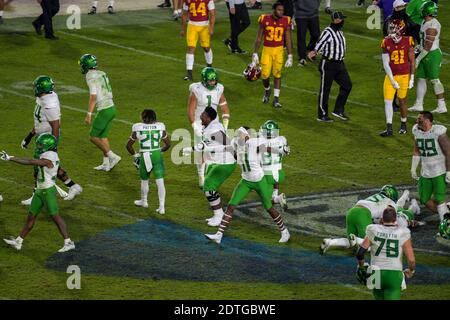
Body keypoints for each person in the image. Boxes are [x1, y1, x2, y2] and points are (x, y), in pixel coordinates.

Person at [205, 127, 290, 245]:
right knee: (231, 206)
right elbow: (224, 148)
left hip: (259, 181)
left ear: (246, 135)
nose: (237, 135)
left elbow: (266, 148)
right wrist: (202, 148)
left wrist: (281, 151)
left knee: (269, 207)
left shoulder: (253, 143)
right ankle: (218, 235)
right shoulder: (236, 144)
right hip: (245, 181)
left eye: (240, 133)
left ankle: (284, 231)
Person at [1, 134, 75, 253]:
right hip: (40, 191)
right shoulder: (48, 153)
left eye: (41, 145)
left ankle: (68, 242)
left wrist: (11, 158)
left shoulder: (50, 156)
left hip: (47, 191)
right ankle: (18, 241)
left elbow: (30, 161)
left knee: (55, 216)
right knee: (31, 216)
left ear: (48, 145)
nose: (39, 146)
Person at [20, 75, 83, 205]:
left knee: (39, 167)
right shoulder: (43, 98)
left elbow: (55, 125)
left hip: (47, 139)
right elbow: (40, 121)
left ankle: (36, 196)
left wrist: (52, 145)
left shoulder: (49, 103)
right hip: (42, 135)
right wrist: (29, 136)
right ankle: (73, 186)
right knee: (50, 165)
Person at [183, 107, 236, 226]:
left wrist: (237, 157)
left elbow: (227, 144)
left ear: (208, 117)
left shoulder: (214, 129)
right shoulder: (210, 127)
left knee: (208, 187)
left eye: (203, 114)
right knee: (209, 185)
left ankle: (218, 216)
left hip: (225, 162)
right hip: (218, 161)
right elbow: (206, 143)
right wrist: (191, 149)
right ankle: (219, 214)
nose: (201, 116)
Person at [320, 185, 404, 253]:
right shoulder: (391, 203)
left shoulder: (377, 197)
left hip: (351, 212)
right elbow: (388, 218)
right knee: (369, 245)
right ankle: (356, 239)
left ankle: (329, 242)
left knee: (351, 243)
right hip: (363, 214)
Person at [356, 206, 416, 300]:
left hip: (376, 273)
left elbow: (360, 253)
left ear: (382, 218)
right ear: (395, 219)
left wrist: (361, 266)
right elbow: (411, 260)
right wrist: (411, 270)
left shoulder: (373, 230)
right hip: (393, 274)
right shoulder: (403, 232)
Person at [187, 67, 230, 188]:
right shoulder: (197, 89)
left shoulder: (219, 89)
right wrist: (195, 126)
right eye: (210, 81)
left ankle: (209, 177)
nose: (213, 83)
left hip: (214, 125)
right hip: (200, 123)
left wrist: (225, 127)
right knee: (200, 151)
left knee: (214, 152)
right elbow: (190, 110)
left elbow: (225, 110)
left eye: (214, 80)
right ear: (204, 80)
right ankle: (201, 175)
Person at [79, 54, 122, 172]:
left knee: (93, 137)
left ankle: (113, 156)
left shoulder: (89, 76)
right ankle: (106, 163)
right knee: (103, 136)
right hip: (112, 108)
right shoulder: (102, 73)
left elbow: (93, 96)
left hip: (104, 109)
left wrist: (89, 113)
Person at [308, 11, 352, 122]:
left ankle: (338, 110)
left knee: (347, 85)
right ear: (336, 20)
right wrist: (314, 52)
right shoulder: (328, 32)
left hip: (339, 64)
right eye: (341, 19)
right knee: (325, 89)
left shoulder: (340, 32)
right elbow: (320, 43)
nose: (343, 21)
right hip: (328, 64)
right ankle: (322, 114)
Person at [126, 109, 171, 213]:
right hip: (156, 155)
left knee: (144, 180)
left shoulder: (137, 127)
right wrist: (160, 151)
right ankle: (162, 207)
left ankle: (144, 201)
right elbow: (168, 144)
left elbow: (128, 145)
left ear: (143, 117)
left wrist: (135, 155)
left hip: (145, 155)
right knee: (160, 181)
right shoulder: (160, 126)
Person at [252, 2, 293, 108]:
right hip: (267, 50)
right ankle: (267, 90)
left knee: (277, 74)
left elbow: (288, 39)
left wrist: (290, 55)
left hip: (279, 50)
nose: (281, 12)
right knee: (264, 75)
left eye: (282, 10)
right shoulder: (264, 19)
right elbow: (259, 37)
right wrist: (255, 53)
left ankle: (276, 99)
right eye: (279, 10)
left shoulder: (286, 20)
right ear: (274, 10)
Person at [411, 111, 450, 221]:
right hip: (426, 171)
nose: (417, 121)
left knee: (439, 199)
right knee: (424, 199)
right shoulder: (416, 130)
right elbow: (416, 150)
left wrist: (449, 171)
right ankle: (447, 215)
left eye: (420, 119)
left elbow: (448, 152)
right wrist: (413, 168)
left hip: (439, 171)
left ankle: (445, 225)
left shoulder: (438, 131)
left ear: (427, 121)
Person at [379, 19, 415, 137]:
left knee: (402, 101)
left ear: (401, 29)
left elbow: (412, 61)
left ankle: (403, 124)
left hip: (404, 75)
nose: (391, 30)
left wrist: (412, 78)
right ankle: (389, 128)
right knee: (387, 101)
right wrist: (392, 80)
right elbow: (385, 64)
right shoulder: (386, 42)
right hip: (391, 76)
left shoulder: (408, 40)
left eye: (393, 28)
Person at [409, 1, 446, 114]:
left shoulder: (432, 25)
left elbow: (429, 46)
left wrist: (417, 59)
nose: (420, 11)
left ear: (427, 11)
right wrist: (417, 48)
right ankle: (419, 104)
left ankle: (442, 105)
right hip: (425, 52)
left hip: (432, 54)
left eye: (422, 9)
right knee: (421, 78)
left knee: (434, 80)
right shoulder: (425, 21)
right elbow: (423, 41)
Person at [180, 0, 216, 81]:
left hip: (204, 25)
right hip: (192, 25)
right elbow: (185, 14)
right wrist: (183, 29)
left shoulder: (208, 0)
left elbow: (213, 14)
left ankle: (209, 66)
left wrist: (211, 28)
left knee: (206, 48)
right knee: (191, 48)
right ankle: (189, 74)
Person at [259, 120, 289, 210]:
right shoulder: (282, 140)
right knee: (274, 170)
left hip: (266, 173)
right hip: (279, 173)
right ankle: (275, 195)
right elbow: (286, 151)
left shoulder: (260, 141)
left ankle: (276, 199)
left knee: (265, 200)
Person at [293, 0, 321, 67]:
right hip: (300, 14)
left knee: (316, 35)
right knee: (301, 37)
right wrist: (292, 16)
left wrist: (315, 7)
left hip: (314, 14)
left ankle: (310, 50)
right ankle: (302, 58)